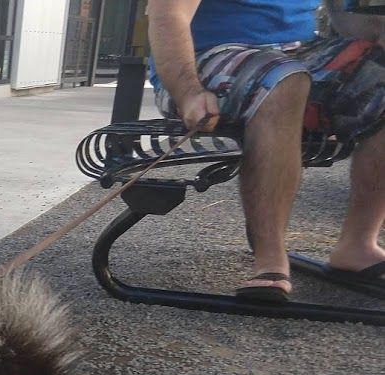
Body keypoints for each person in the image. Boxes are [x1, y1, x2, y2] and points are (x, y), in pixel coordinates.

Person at [147, 0, 385, 300]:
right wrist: (188, 93)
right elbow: (167, 14)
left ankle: (358, 245)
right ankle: (270, 259)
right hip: (201, 57)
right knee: (286, 79)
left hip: (299, 51)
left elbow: (348, 18)